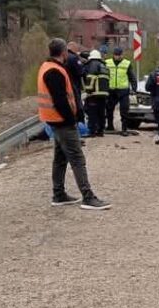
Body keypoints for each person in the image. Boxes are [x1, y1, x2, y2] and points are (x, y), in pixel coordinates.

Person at [38, 38, 110, 210]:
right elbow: (61, 100)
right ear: (64, 52)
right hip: (62, 121)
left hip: (54, 120)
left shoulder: (46, 67)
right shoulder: (55, 71)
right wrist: (72, 119)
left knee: (60, 158)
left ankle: (59, 194)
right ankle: (88, 197)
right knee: (77, 158)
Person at [105, 47, 138, 136]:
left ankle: (124, 128)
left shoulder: (126, 63)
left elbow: (132, 76)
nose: (118, 57)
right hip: (111, 90)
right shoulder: (107, 63)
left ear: (122, 55)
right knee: (109, 109)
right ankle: (110, 126)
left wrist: (134, 88)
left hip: (123, 90)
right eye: (116, 55)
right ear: (113, 55)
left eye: (120, 55)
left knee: (124, 110)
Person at [82, 49, 110, 137]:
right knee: (101, 112)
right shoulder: (104, 65)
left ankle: (92, 131)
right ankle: (101, 131)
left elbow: (91, 77)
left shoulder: (93, 64)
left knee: (92, 112)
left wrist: (88, 91)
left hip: (94, 94)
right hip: (104, 94)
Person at [65, 42, 86, 127]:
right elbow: (80, 72)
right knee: (77, 106)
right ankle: (80, 126)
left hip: (63, 86)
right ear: (73, 48)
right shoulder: (74, 58)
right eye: (77, 49)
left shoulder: (62, 57)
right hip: (74, 86)